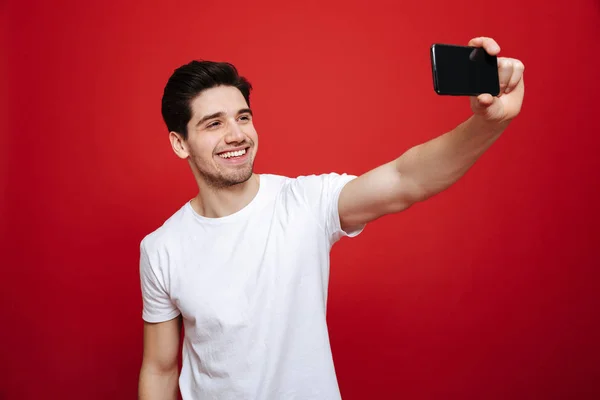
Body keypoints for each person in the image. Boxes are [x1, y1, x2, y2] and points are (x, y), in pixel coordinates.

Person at [137, 36, 525, 400]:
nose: (236, 134)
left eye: (243, 117)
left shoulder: (304, 202)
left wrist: (489, 122)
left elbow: (407, 178)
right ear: (179, 143)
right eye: (214, 123)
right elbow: (159, 368)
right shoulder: (161, 249)